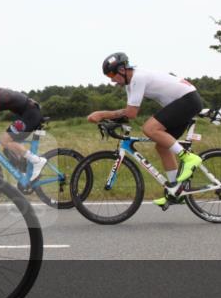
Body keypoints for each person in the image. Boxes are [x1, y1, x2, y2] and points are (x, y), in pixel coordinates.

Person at [87, 53, 204, 209]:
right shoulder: (130, 84)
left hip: (187, 100)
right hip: (183, 102)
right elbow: (129, 112)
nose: (111, 80)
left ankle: (189, 158)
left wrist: (102, 114)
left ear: (122, 70)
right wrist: (110, 120)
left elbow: (131, 113)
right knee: (162, 146)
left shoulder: (138, 78)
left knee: (149, 128)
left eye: (111, 74)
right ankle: (176, 190)